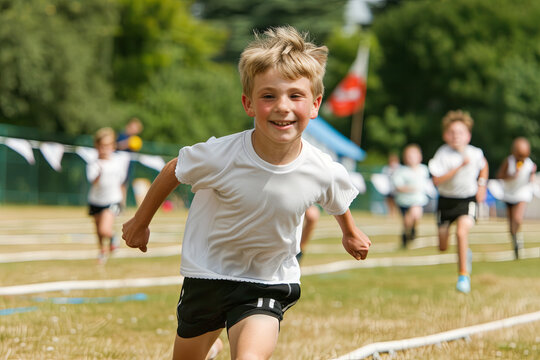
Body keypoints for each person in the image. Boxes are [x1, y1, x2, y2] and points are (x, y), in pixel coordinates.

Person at [121, 26, 371, 360]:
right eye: (269, 96)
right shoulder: (220, 155)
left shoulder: (321, 168)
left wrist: (350, 234)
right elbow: (173, 170)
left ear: (315, 105)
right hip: (208, 273)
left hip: (267, 279)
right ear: (248, 104)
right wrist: (140, 222)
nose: (282, 106)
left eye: (295, 96)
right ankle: (210, 348)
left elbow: (336, 198)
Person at [428, 110, 488, 294]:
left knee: (462, 234)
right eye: (452, 133)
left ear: (468, 136)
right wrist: (459, 167)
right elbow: (436, 180)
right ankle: (465, 255)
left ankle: (463, 277)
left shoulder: (475, 153)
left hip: (466, 200)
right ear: (446, 135)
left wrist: (482, 185)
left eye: (460, 133)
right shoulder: (442, 154)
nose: (456, 136)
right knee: (442, 246)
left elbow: (484, 166)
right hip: (446, 202)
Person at [87, 127, 129, 264]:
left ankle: (113, 238)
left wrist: (123, 201)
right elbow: (93, 181)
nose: (105, 148)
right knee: (98, 231)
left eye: (108, 145)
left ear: (113, 146)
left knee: (104, 229)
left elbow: (122, 183)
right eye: (102, 145)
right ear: (97, 146)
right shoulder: (94, 163)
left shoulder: (117, 162)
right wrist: (99, 175)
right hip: (95, 200)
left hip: (112, 200)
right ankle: (102, 251)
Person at [496, 137, 537, 259]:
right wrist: (511, 176)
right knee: (511, 224)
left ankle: (518, 239)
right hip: (508, 194)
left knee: (517, 219)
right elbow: (500, 175)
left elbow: (531, 180)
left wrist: (532, 175)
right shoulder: (509, 161)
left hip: (522, 193)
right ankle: (515, 241)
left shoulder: (530, 164)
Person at [391, 144, 430, 248]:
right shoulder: (401, 171)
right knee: (407, 221)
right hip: (404, 201)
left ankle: (412, 230)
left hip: (418, 200)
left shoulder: (423, 169)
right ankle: (406, 233)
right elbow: (398, 186)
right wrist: (410, 188)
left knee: (415, 215)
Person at [116, 117, 144, 208]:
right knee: (118, 183)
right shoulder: (121, 136)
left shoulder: (135, 139)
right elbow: (116, 146)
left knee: (125, 184)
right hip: (119, 163)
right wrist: (127, 143)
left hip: (128, 164)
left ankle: (122, 205)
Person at [382, 153, 400, 217]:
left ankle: (395, 213)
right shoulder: (386, 169)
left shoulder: (399, 169)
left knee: (395, 201)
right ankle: (390, 213)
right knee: (389, 201)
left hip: (396, 189)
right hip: (388, 188)